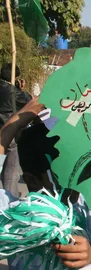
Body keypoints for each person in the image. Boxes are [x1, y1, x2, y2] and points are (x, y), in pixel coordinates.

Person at [0, 105, 91, 270]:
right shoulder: (15, 217)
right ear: (32, 181)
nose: (77, 183)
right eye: (63, 175)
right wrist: (18, 120)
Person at [0, 63, 32, 198]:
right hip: (8, 132)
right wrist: (21, 89)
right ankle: (9, 198)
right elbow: (29, 102)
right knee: (11, 169)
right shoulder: (11, 91)